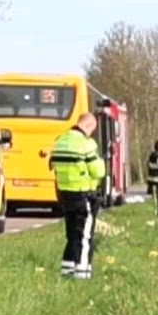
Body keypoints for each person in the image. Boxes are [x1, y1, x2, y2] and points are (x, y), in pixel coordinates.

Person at [50, 111, 106, 279]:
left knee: (72, 234)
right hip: (84, 194)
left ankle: (67, 269)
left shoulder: (60, 141)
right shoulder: (86, 144)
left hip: (65, 193)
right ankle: (82, 274)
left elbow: (53, 165)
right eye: (92, 130)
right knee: (84, 235)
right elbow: (99, 170)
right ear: (88, 125)